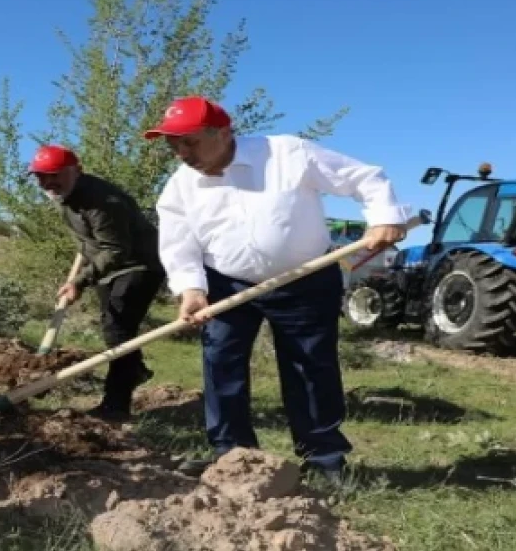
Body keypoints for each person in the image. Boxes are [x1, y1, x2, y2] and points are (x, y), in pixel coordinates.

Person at [146, 96, 410, 481]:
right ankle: (232, 456)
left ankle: (324, 460)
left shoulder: (287, 153)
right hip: (226, 282)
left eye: (190, 141)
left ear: (223, 133)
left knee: (309, 365)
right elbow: (178, 243)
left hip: (304, 277)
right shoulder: (180, 186)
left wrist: (384, 217)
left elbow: (363, 177)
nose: (181, 153)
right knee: (221, 364)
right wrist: (190, 289)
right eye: (173, 144)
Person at [28, 145, 166, 420]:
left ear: (76, 171)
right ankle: (134, 370)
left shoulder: (101, 200)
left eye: (54, 175)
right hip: (108, 267)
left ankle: (116, 406)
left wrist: (79, 282)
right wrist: (82, 270)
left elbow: (116, 249)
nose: (47, 182)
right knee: (113, 326)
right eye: (41, 176)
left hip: (139, 264)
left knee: (119, 331)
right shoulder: (66, 196)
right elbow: (90, 240)